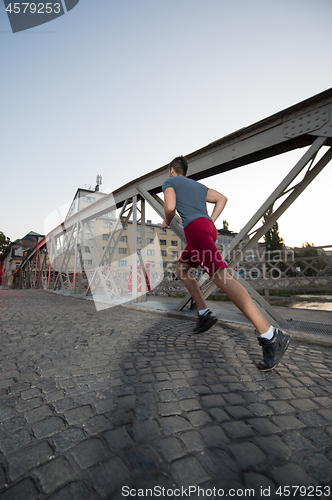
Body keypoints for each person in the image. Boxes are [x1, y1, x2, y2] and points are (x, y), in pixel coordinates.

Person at [161, 156, 290, 371]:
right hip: (206, 229)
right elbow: (222, 198)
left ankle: (270, 335)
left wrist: (167, 219)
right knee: (182, 269)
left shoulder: (170, 182)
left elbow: (170, 206)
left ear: (172, 170)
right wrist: (210, 220)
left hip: (195, 230)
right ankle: (204, 313)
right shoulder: (197, 186)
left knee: (221, 277)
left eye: (170, 172)